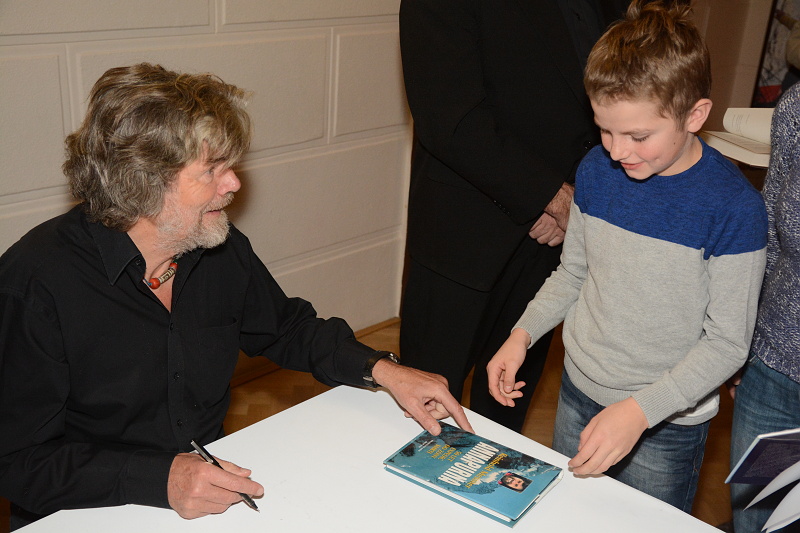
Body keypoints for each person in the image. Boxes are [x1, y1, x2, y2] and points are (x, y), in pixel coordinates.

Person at [0, 63, 472, 531]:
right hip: (86, 509)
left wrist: (384, 370)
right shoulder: (35, 284)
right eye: (212, 169)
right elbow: (17, 461)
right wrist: (159, 478)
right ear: (141, 181)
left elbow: (286, 328)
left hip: (210, 489)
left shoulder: (215, 247)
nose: (234, 184)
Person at [487, 0, 767, 513]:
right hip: (578, 391)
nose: (617, 152)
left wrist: (639, 412)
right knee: (569, 518)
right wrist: (521, 335)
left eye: (638, 136)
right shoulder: (596, 171)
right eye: (604, 130)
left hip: (667, 422)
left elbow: (728, 343)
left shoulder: (734, 208)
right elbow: (573, 272)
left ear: (695, 114)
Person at [398, 0, 628, 433]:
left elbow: (614, 100)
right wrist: (554, 198)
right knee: (425, 414)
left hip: (552, 244)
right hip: (464, 237)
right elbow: (450, 118)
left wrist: (576, 202)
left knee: (506, 415)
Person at [729, 83, 800, 533]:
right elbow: (770, 236)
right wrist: (744, 342)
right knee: (756, 521)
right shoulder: (796, 107)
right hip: (774, 374)